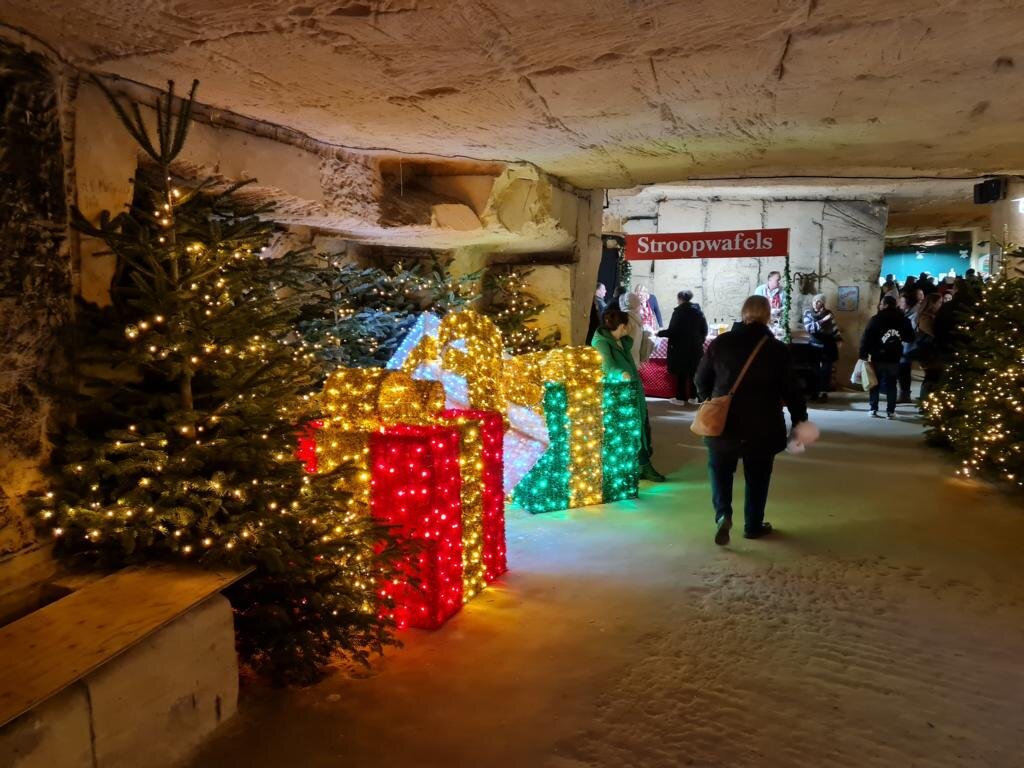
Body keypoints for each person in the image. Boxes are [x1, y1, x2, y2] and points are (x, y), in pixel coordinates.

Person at [695, 295, 808, 545]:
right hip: (764, 425)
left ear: (743, 313)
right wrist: (800, 420)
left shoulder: (720, 343)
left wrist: (709, 402)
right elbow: (792, 391)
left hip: (723, 423)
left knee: (720, 470)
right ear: (767, 316)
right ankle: (753, 525)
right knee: (758, 476)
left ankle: (723, 514)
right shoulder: (777, 350)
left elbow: (700, 379)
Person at [591, 308, 666, 482]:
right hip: (619, 393)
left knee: (642, 426)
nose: (631, 328)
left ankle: (642, 464)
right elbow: (607, 366)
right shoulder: (601, 343)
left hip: (632, 390)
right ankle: (642, 466)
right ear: (622, 326)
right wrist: (622, 374)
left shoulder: (620, 341)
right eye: (628, 324)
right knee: (631, 430)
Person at [859, 296, 914, 419]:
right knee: (891, 384)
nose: (879, 306)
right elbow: (910, 337)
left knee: (874, 382)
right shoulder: (903, 320)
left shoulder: (875, 319)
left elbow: (867, 337)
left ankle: (873, 409)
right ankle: (890, 411)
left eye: (881, 304)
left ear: (885, 305)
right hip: (894, 356)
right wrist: (898, 337)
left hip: (877, 355)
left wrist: (863, 354)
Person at [657, 290, 708, 403]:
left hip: (680, 348)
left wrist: (659, 333)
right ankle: (693, 397)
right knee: (693, 372)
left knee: (681, 373)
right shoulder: (698, 311)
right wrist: (700, 341)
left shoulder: (678, 312)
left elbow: (673, 331)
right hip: (695, 348)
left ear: (680, 299)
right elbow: (705, 330)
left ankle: (680, 398)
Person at [802, 293, 843, 401]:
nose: (816, 303)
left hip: (827, 344)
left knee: (826, 370)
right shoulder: (808, 313)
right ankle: (814, 392)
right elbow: (809, 328)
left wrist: (838, 338)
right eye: (815, 301)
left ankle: (823, 392)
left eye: (819, 302)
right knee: (814, 370)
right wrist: (823, 320)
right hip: (814, 345)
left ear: (823, 304)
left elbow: (834, 327)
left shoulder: (828, 313)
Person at [915, 293, 944, 402]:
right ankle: (924, 402)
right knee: (930, 377)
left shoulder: (930, 316)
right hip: (928, 352)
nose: (941, 304)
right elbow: (932, 333)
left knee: (932, 376)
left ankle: (927, 401)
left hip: (930, 351)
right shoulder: (925, 318)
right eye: (939, 302)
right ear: (932, 303)